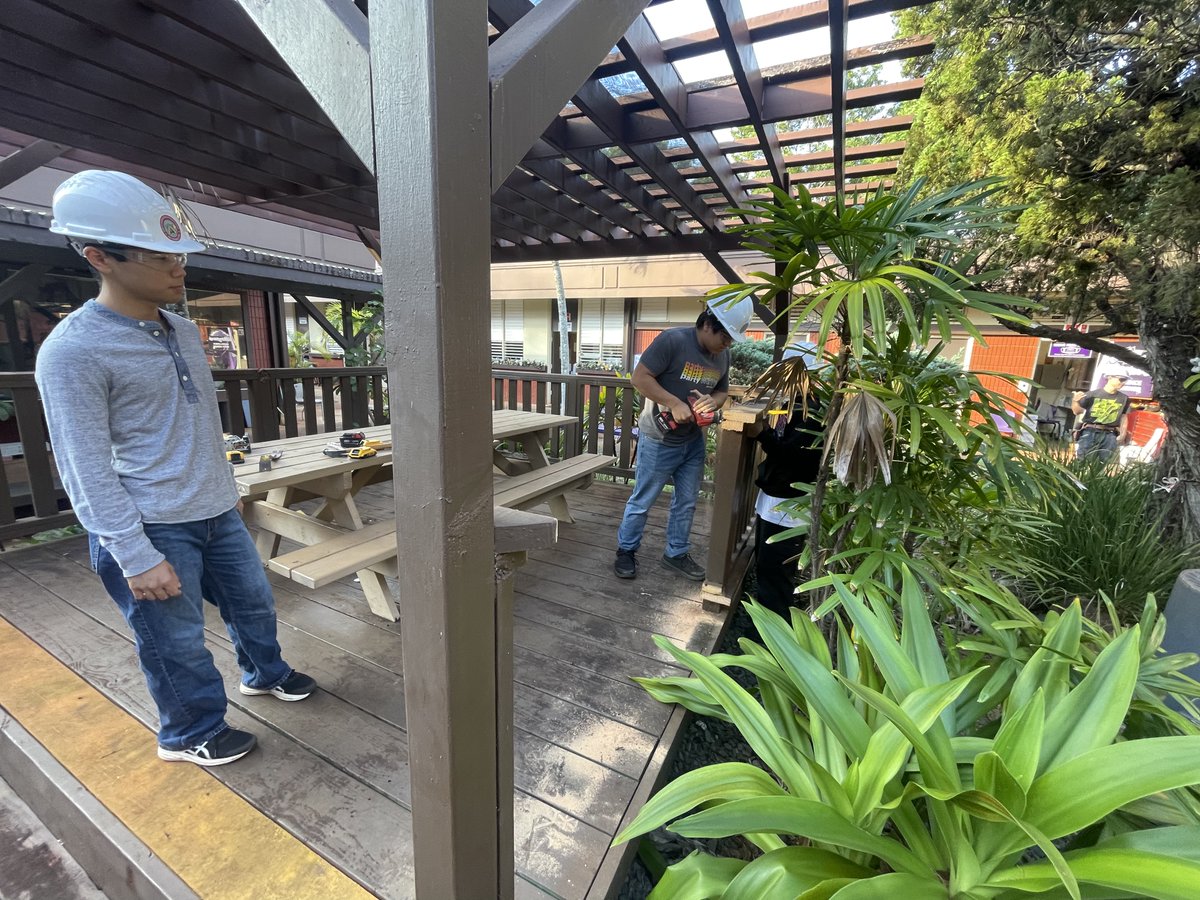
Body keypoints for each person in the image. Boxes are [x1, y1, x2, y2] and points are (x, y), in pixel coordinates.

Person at [35, 170, 316, 767]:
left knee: (255, 605)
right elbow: (81, 466)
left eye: (178, 252)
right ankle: (190, 732)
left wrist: (227, 485)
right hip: (152, 524)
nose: (177, 266)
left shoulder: (184, 331)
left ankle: (264, 673)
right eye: (159, 254)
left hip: (215, 508)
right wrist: (134, 555)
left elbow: (194, 424)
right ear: (98, 257)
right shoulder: (71, 352)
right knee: (176, 641)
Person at [613, 295, 752, 581]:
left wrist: (713, 402)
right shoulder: (673, 341)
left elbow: (722, 391)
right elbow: (639, 378)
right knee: (643, 500)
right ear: (708, 325)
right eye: (725, 337)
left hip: (693, 441)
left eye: (731, 340)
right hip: (659, 438)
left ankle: (675, 553)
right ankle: (625, 551)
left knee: (687, 500)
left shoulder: (722, 355)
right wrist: (674, 403)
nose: (728, 345)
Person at [749, 346, 823, 616]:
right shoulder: (794, 402)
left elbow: (796, 455)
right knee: (766, 565)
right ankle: (765, 629)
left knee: (775, 572)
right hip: (776, 496)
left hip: (790, 503)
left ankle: (772, 643)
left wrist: (762, 434)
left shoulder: (813, 411)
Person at [1072, 373, 1132, 460]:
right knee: (1082, 461)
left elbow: (1123, 417)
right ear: (1110, 377)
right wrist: (1075, 401)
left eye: (1125, 380)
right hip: (1090, 431)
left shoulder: (1124, 398)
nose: (1123, 383)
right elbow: (1077, 412)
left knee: (1103, 464)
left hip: (1110, 434)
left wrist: (1123, 434)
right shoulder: (1092, 394)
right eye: (1121, 379)